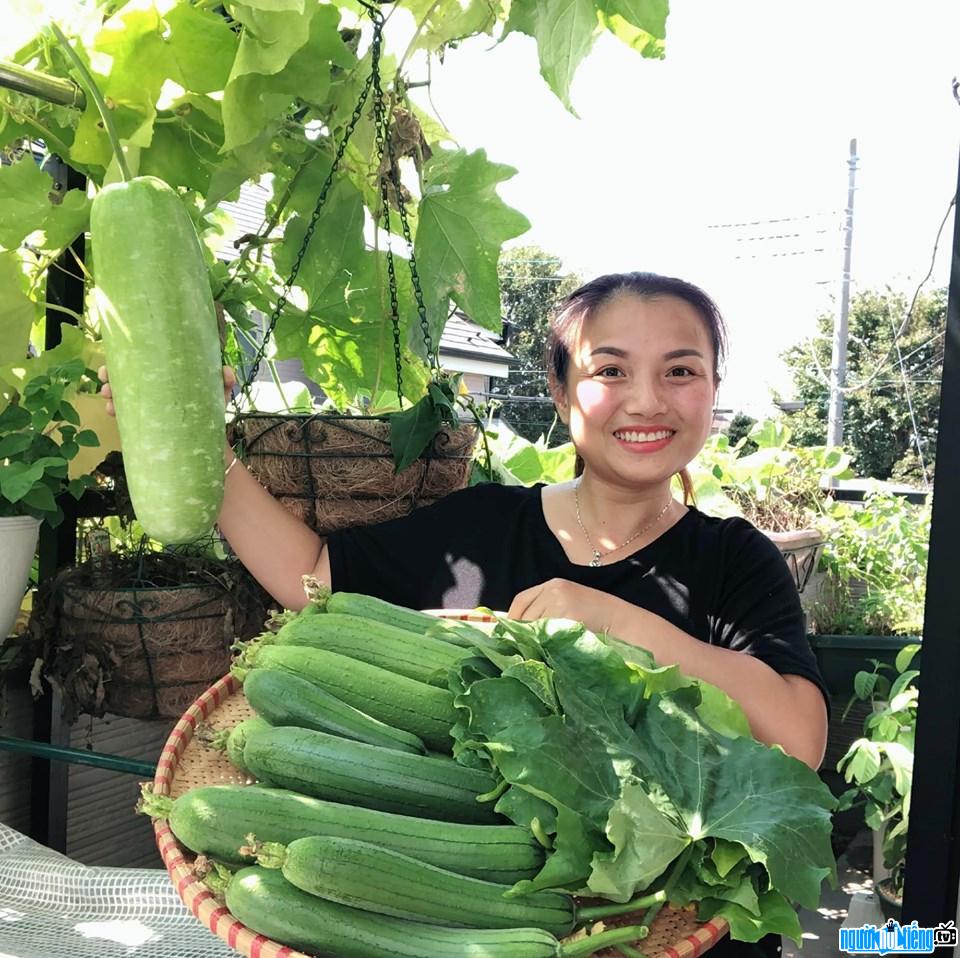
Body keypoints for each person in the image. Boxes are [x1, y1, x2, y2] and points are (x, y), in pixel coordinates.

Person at [100, 271, 828, 957]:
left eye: (680, 370)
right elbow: (315, 580)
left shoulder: (735, 560)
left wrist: (617, 620)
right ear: (560, 388)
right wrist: (200, 444)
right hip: (473, 910)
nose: (646, 400)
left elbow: (797, 741)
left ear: (712, 390)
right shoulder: (479, 527)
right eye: (610, 370)